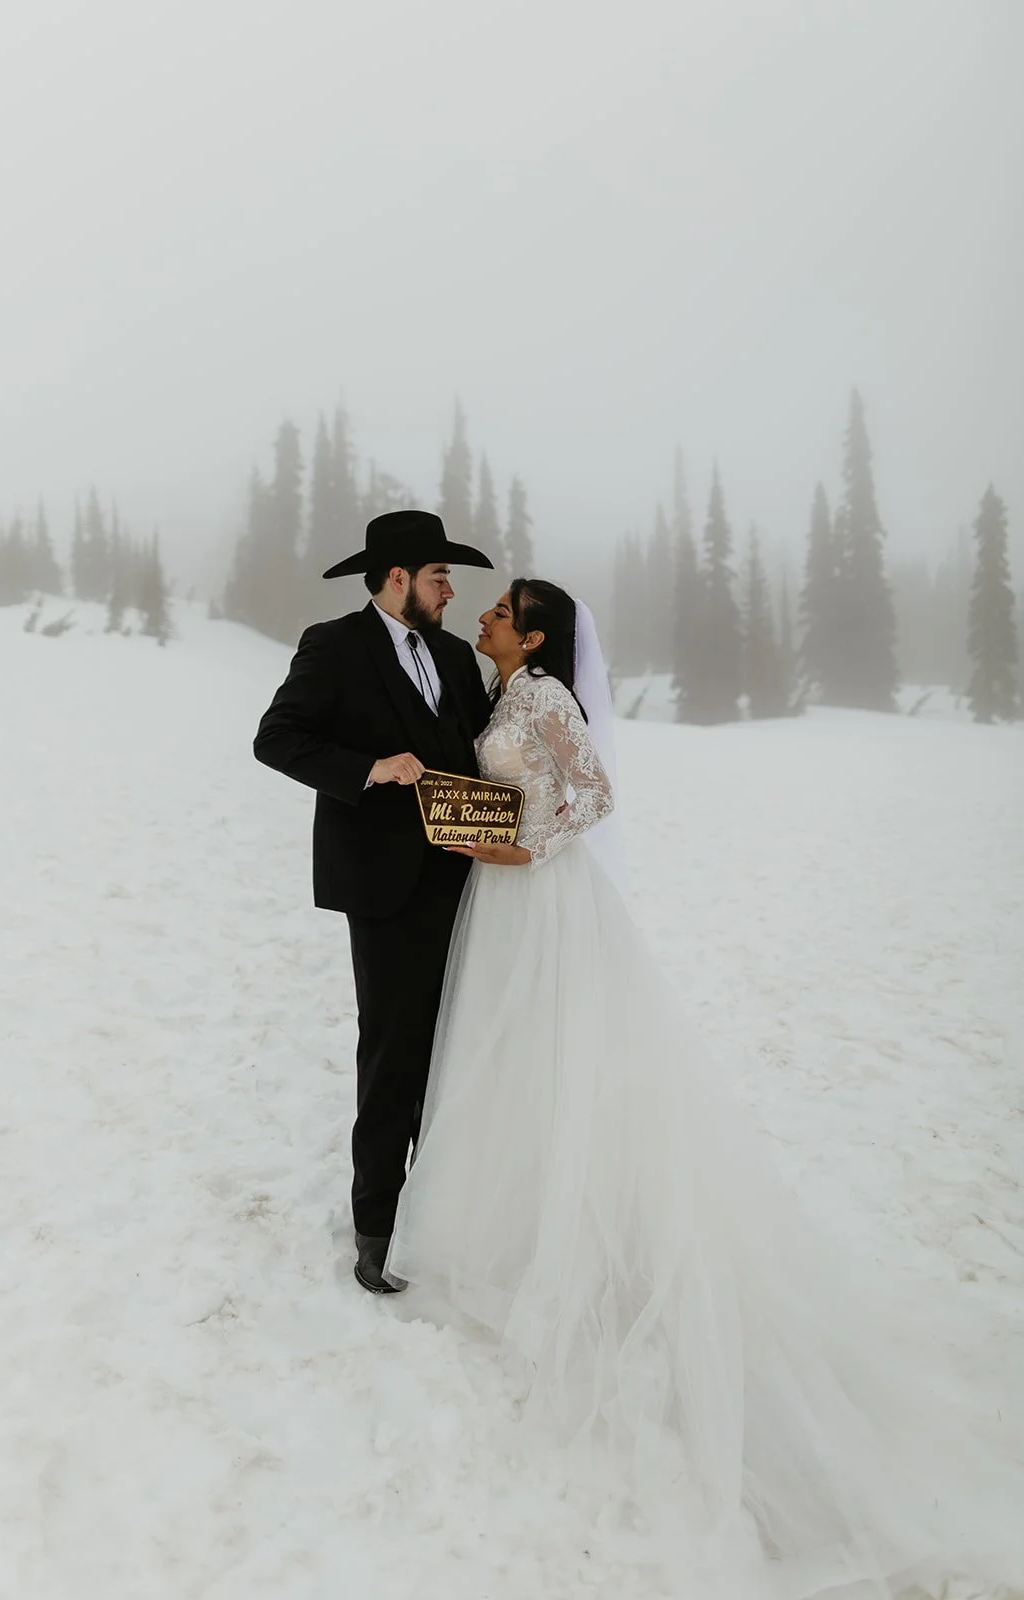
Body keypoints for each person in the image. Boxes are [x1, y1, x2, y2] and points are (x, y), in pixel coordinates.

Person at [386, 578, 1024, 1600]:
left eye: (501, 609)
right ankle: (516, 1220)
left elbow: (591, 797)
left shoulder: (545, 695)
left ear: (534, 634)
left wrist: (520, 844)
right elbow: (509, 781)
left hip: (548, 904)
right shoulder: (501, 694)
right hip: (502, 908)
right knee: (506, 1063)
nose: (486, 617)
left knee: (566, 1059)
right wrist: (469, 823)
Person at [253, 509, 492, 1294]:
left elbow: (480, 755)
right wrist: (368, 768)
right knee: (392, 1052)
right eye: (439, 576)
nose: (451, 591)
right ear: (398, 578)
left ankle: (448, 1210)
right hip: (382, 888)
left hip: (469, 881)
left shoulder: (456, 657)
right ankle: (377, 1228)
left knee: (458, 1051)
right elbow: (278, 739)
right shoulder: (334, 645)